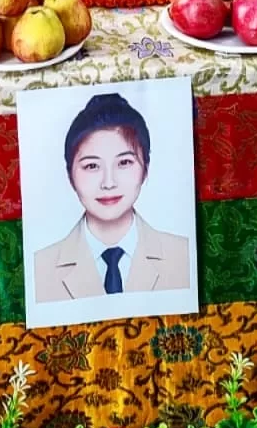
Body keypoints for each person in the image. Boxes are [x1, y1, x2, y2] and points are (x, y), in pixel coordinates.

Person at [33, 92, 190, 303]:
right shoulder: (39, 269)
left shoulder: (184, 256)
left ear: (146, 169)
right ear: (70, 175)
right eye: (92, 166)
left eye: (124, 163)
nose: (108, 182)